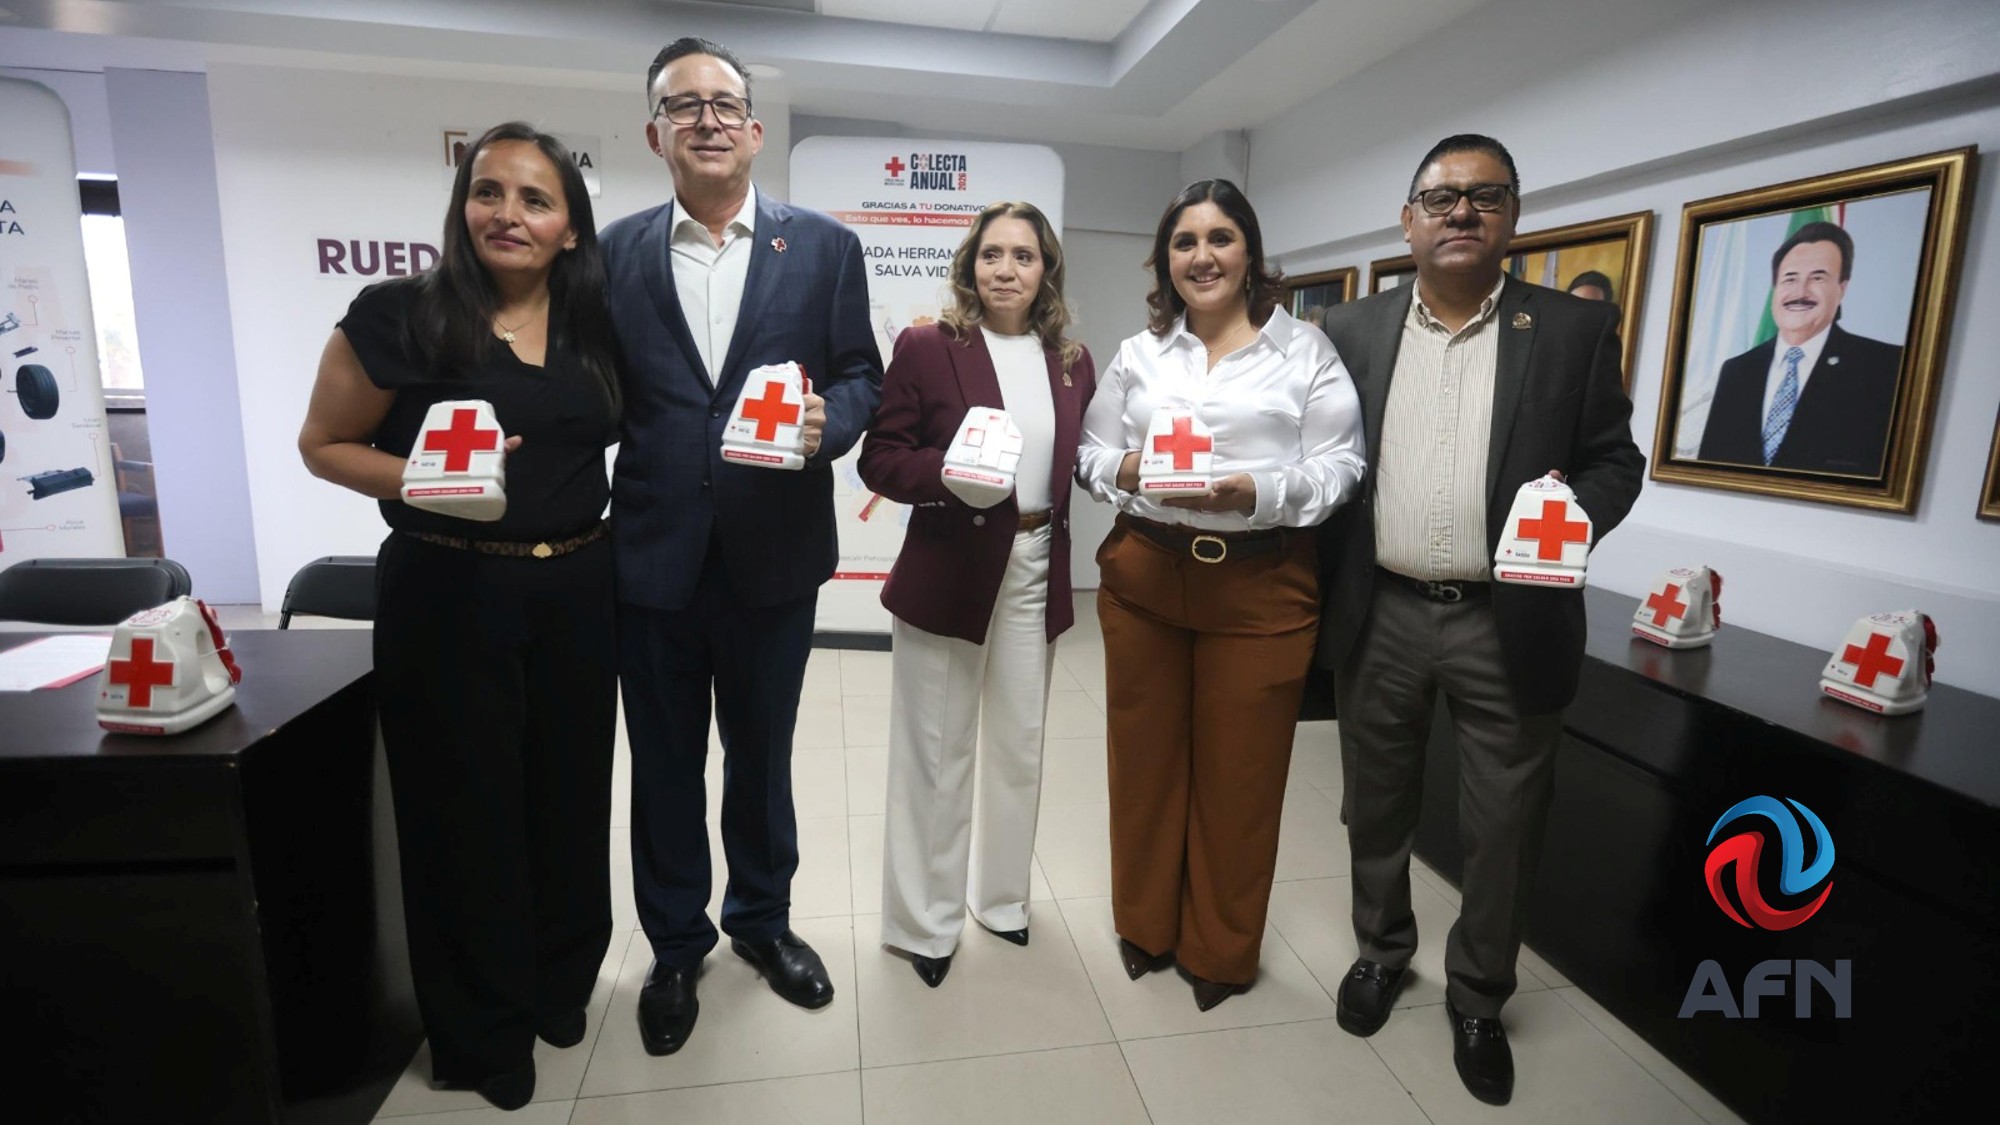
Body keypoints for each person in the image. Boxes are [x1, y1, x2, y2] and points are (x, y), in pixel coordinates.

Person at [1314, 134, 1644, 1106]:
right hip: (1381, 608)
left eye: (1484, 196)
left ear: (1513, 217)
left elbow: (1615, 461)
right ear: (1406, 220)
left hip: (1510, 618)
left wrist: (1570, 513)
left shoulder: (1572, 331)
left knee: (1503, 821)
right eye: (1440, 197)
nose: (1461, 212)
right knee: (1375, 801)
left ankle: (1477, 996)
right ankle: (1381, 952)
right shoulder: (1349, 330)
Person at [298, 122, 621, 1112]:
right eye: (489, 192)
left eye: (535, 199)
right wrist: (426, 478)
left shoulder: (594, 320)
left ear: (571, 228)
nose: (507, 214)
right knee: (464, 812)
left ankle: (559, 983)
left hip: (578, 588)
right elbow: (323, 443)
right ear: (462, 205)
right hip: (448, 591)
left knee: (568, 799)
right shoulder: (399, 315)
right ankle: (484, 1031)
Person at [600, 36, 883, 1056]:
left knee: (762, 758)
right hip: (653, 557)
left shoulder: (824, 248)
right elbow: (592, 391)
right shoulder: (612, 254)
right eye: (684, 105)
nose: (707, 119)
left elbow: (861, 375)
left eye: (724, 104)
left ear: (756, 130)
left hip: (774, 555)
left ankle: (762, 921)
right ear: (655, 134)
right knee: (665, 765)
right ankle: (676, 946)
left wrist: (827, 423)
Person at [1078, 179, 1364, 1012]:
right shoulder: (1139, 354)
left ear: (1251, 252)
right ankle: (1145, 926)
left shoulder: (1305, 353)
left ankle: (1220, 949)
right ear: (1165, 260)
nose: (1202, 256)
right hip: (1146, 575)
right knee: (1144, 764)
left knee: (1241, 776)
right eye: (1184, 242)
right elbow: (1090, 457)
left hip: (1260, 585)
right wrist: (1130, 469)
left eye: (1220, 238)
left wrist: (1255, 490)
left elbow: (1341, 466)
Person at [859, 201, 1096, 988]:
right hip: (950, 563)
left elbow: (1080, 459)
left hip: (1036, 561)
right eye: (991, 254)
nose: (1005, 269)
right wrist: (949, 476)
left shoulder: (1071, 360)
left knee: (1020, 745)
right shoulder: (929, 346)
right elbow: (880, 459)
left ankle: (1002, 899)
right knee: (936, 750)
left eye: (1023, 255)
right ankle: (924, 922)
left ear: (1045, 269)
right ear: (970, 265)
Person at [1695, 221, 1902, 474]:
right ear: (1775, 288)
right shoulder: (1737, 371)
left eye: (1817, 278)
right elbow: (1711, 467)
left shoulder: (1886, 367)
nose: (1800, 291)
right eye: (1790, 278)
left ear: (1842, 288)